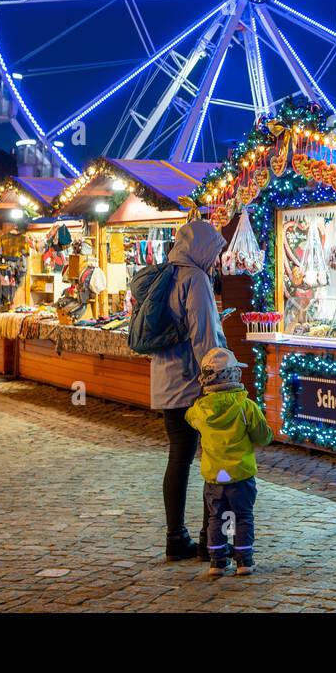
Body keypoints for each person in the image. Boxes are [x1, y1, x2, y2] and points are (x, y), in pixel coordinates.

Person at [131, 219, 228, 562]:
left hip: (165, 384)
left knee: (179, 458)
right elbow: (204, 337)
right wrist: (216, 378)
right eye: (215, 252)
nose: (216, 261)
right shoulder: (195, 279)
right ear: (202, 248)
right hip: (194, 385)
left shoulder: (165, 274)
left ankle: (176, 538)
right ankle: (209, 540)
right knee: (213, 460)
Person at [185, 347, 272, 577]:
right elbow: (263, 436)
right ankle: (244, 560)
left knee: (219, 516)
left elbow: (190, 418)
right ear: (235, 375)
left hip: (216, 475)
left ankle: (217, 561)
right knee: (242, 516)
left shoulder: (200, 409)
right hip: (240, 474)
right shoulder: (246, 406)